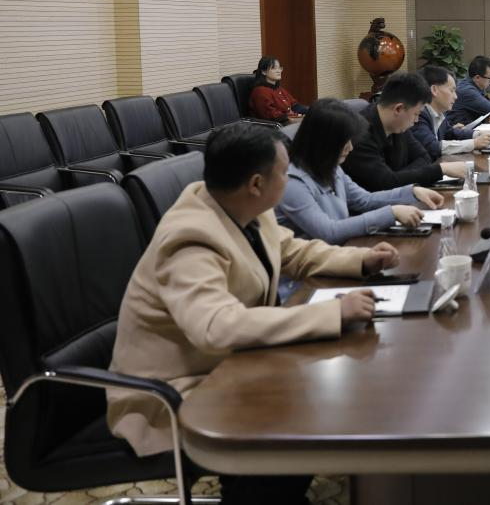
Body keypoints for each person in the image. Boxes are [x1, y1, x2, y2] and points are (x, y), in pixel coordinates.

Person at [106, 122, 398, 504]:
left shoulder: (243, 208)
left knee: (309, 395)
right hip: (170, 394)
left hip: (228, 366)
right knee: (293, 413)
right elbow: (216, 326)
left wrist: (361, 260)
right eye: (285, 171)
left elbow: (293, 251)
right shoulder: (190, 237)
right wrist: (332, 313)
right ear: (256, 183)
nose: (291, 178)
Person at [277, 98, 446, 244]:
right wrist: (391, 213)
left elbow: (365, 200)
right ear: (324, 142)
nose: (350, 148)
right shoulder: (292, 183)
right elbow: (329, 232)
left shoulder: (332, 168)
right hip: (311, 269)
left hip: (341, 254)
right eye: (344, 141)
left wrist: (412, 192)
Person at [341, 71, 467, 190]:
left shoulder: (398, 124)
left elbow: (424, 157)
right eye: (416, 114)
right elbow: (384, 184)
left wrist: (396, 177)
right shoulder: (359, 135)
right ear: (398, 109)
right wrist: (440, 170)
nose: (416, 120)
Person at [412, 64, 490, 159]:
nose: (455, 96)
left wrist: (477, 134)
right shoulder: (419, 115)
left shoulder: (439, 112)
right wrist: (474, 143)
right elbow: (432, 147)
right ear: (434, 90)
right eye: (451, 91)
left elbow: (450, 133)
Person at [447, 55, 490, 125]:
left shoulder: (475, 86)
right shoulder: (468, 91)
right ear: (477, 78)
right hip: (460, 130)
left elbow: (487, 103)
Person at [248, 56, 307, 123]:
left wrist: (309, 112)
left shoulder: (278, 88)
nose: (278, 71)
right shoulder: (260, 92)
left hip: (290, 120)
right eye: (274, 68)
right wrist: (297, 118)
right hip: (275, 125)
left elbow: (294, 105)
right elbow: (274, 116)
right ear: (264, 72)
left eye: (279, 68)